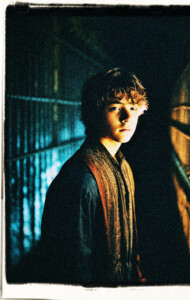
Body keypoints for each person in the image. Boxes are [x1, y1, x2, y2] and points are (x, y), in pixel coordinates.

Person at [39, 68, 148, 285]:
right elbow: (74, 263)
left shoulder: (122, 165)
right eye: (115, 108)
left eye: (133, 107)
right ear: (95, 111)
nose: (127, 117)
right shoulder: (81, 178)